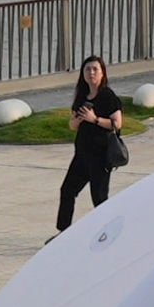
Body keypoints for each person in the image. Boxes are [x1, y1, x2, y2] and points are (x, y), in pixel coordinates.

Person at [56, 54, 129, 235]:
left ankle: (106, 233)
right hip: (82, 155)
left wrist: (94, 119)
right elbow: (72, 126)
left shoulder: (107, 96)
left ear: (102, 73)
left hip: (101, 156)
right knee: (67, 190)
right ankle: (63, 232)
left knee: (99, 198)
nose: (91, 73)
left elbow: (117, 124)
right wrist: (78, 120)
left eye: (95, 69)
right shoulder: (81, 96)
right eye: (87, 69)